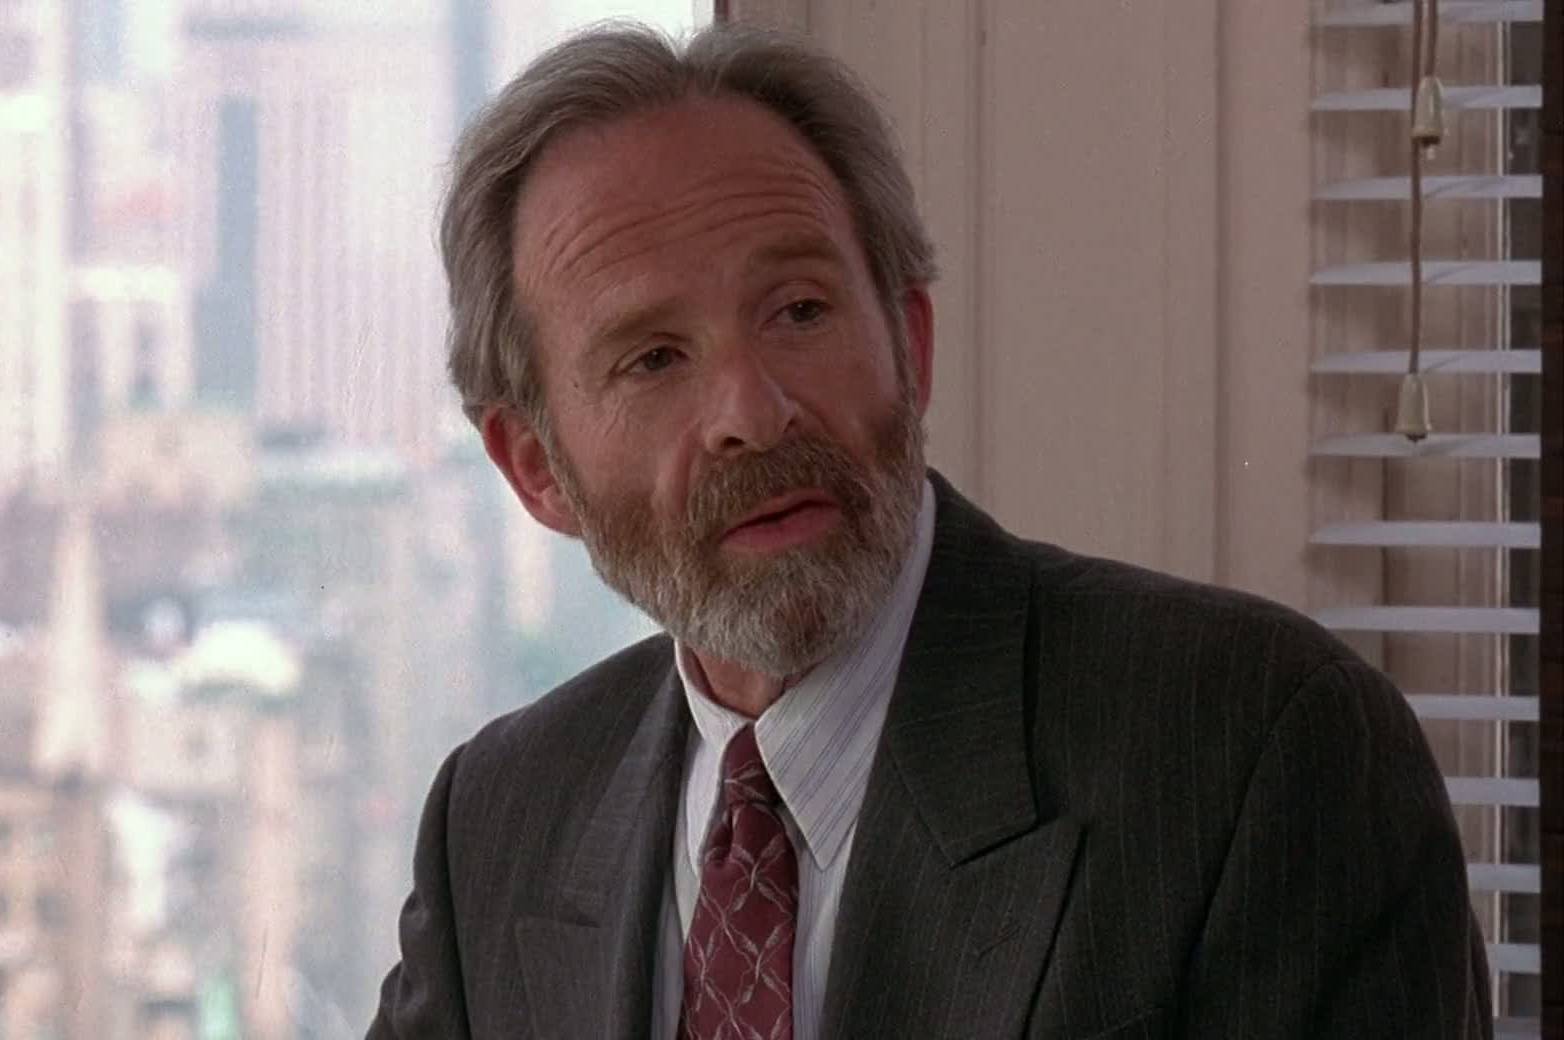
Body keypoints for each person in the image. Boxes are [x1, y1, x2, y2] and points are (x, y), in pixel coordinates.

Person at [369, 20, 1491, 1040]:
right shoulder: (498, 822)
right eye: (654, 359)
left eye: (800, 310)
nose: (754, 412)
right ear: (535, 467)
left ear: (910, 341)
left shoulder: (1255, 748)